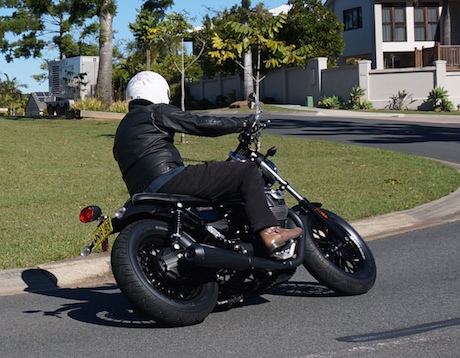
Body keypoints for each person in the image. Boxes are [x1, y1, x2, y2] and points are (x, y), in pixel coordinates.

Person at [113, 71, 302, 257]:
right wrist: (242, 124)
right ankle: (270, 231)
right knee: (245, 171)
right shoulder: (155, 112)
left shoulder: (122, 129)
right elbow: (201, 123)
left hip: (144, 194)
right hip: (168, 179)